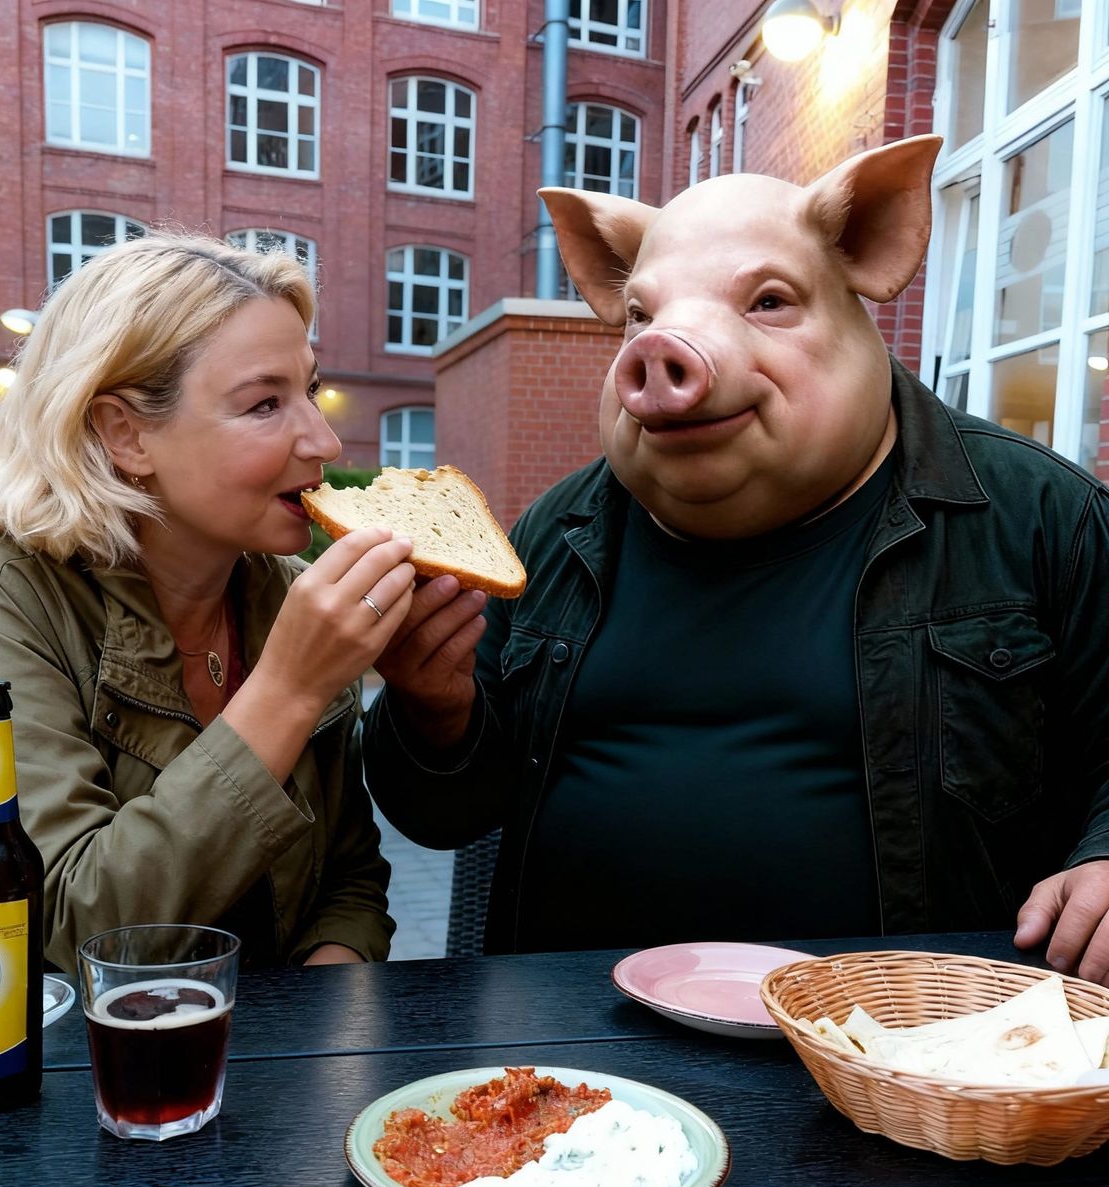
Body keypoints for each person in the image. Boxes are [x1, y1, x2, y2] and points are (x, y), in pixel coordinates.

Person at [362, 135, 1109, 981]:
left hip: (902, 1034)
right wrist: (432, 709)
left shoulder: (1038, 515)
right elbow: (442, 816)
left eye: (768, 302)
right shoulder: (554, 532)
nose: (664, 351)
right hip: (573, 1033)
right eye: (641, 316)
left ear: (866, 250)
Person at [0, 232, 417, 973]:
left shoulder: (287, 596)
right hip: (44, 1040)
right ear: (125, 434)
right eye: (265, 404)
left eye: (309, 391)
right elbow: (64, 927)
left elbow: (350, 880)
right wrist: (287, 691)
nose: (325, 441)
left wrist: (321, 1022)